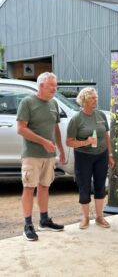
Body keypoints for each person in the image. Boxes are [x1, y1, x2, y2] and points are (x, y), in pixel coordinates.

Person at [17, 72, 65, 241]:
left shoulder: (54, 103)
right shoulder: (27, 102)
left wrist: (61, 150)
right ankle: (27, 225)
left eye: (55, 84)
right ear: (41, 85)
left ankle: (44, 221)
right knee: (29, 187)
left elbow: (56, 128)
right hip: (32, 154)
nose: (55, 88)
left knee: (45, 186)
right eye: (52, 85)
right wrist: (43, 141)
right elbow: (21, 129)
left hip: (49, 155)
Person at [66, 87, 114, 229]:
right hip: (83, 157)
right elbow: (69, 141)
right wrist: (85, 142)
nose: (96, 100)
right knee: (84, 186)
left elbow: (106, 136)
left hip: (101, 155)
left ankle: (100, 217)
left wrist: (110, 155)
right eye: (92, 97)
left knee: (100, 186)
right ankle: (85, 218)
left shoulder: (100, 115)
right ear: (84, 100)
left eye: (96, 97)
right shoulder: (76, 119)